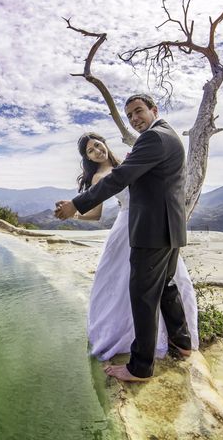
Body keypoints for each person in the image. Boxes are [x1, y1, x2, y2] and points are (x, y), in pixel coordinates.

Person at [55, 93, 193, 382]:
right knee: (167, 286)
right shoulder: (166, 134)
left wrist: (74, 205)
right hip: (169, 227)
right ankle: (182, 342)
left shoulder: (154, 138)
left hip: (151, 230)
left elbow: (119, 179)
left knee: (143, 296)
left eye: (138, 111)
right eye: (129, 115)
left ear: (154, 109)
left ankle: (140, 367)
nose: (134, 118)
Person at [73, 132, 198, 363]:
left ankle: (177, 337)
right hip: (125, 227)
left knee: (168, 281)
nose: (97, 151)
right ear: (88, 158)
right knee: (121, 284)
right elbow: (95, 214)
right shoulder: (99, 177)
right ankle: (126, 337)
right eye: (90, 151)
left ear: (104, 144)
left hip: (151, 224)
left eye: (98, 145)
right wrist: (75, 214)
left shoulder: (128, 161)